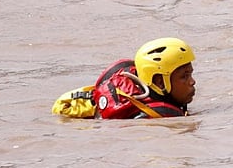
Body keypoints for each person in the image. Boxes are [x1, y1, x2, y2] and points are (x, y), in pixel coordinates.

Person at [52, 37, 196, 119]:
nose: (192, 81)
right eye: (184, 76)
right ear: (159, 82)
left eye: (191, 73)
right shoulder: (156, 117)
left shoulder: (142, 87)